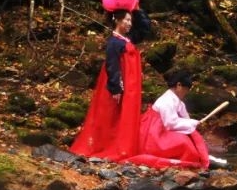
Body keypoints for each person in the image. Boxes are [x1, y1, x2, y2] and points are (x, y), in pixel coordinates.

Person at [70, 9, 144, 161]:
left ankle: (121, 145)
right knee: (111, 114)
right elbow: (112, 66)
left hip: (129, 82)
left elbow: (145, 28)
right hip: (118, 82)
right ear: (117, 20)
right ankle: (107, 146)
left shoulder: (126, 39)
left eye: (130, 20)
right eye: (126, 20)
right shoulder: (114, 42)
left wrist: (138, 11)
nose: (129, 23)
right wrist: (116, 87)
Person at [127, 70, 225, 169]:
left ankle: (202, 158)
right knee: (183, 142)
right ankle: (193, 160)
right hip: (154, 133)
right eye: (186, 89)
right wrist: (192, 123)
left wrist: (193, 124)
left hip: (164, 129)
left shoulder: (178, 102)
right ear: (179, 85)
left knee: (192, 136)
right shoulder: (166, 101)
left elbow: (184, 119)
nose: (186, 93)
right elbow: (170, 123)